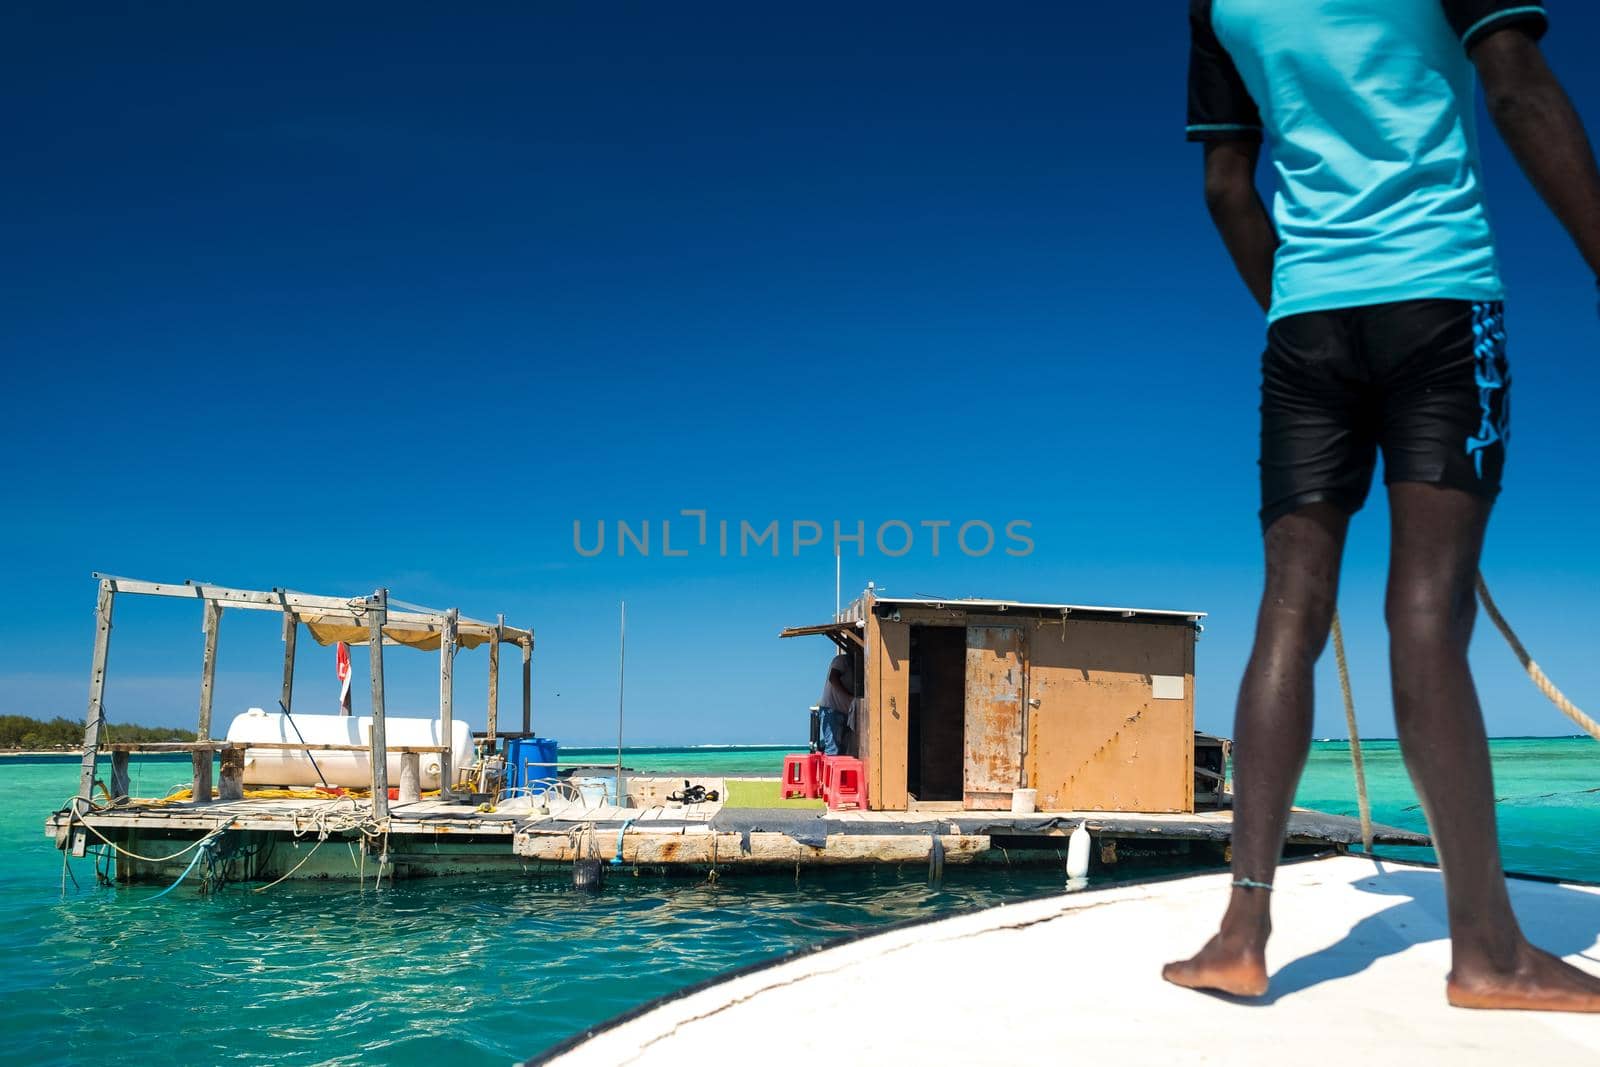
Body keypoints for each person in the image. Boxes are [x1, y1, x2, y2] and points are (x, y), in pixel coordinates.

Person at [1165, 0, 1600, 1011]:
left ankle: (1240, 933)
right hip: (1438, 299)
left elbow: (1228, 187)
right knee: (1425, 610)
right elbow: (1515, 85)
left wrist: (1303, 313)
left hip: (1305, 319)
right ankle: (1488, 952)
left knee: (1289, 606)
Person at [817, 652, 856, 756]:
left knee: (842, 753)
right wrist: (849, 696)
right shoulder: (842, 660)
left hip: (845, 712)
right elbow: (833, 678)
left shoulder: (855, 665)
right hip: (832, 710)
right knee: (833, 751)